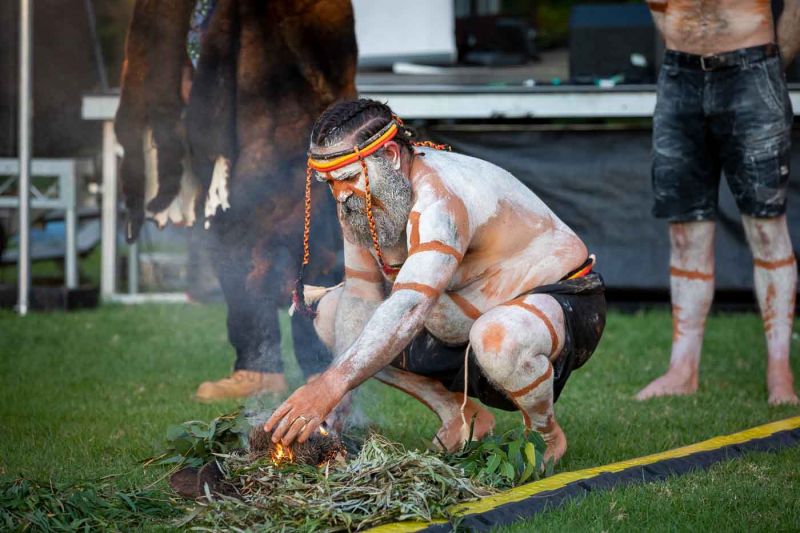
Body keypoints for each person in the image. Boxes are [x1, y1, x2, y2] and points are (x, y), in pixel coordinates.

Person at [264, 99, 606, 464]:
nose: (339, 193)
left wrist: (330, 384)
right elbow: (362, 293)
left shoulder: (439, 200)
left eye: (347, 177)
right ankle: (461, 416)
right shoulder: (360, 195)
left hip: (557, 302)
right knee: (332, 313)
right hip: (457, 318)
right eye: (329, 182)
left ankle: (544, 435)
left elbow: (410, 307)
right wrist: (341, 390)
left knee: (495, 338)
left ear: (391, 155)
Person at [637, 0, 800, 404]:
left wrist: (770, 68)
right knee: (684, 233)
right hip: (679, 75)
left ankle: (780, 371)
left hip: (752, 67)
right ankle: (683, 368)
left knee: (766, 227)